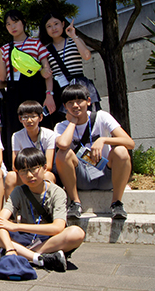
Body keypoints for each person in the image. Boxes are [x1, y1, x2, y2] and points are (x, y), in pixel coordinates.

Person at [0, 148, 85, 272]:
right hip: (23, 238)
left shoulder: (57, 192)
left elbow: (58, 227)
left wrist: (17, 227)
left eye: (34, 169)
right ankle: (34, 257)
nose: (29, 175)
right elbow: (0, 221)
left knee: (77, 233)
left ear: (44, 168)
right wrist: (9, 245)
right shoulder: (19, 191)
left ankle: (23, 254)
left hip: (47, 239)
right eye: (23, 171)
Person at [54, 84, 135, 219]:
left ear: (89, 101)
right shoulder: (62, 126)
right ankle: (75, 202)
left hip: (105, 174)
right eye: (70, 103)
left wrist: (103, 140)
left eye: (79, 101)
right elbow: (63, 144)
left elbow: (130, 143)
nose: (75, 105)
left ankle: (117, 203)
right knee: (63, 153)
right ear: (65, 106)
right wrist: (73, 122)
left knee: (121, 151)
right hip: (82, 177)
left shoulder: (101, 117)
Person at [0, 9, 55, 143]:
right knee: (15, 127)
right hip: (14, 91)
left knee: (39, 124)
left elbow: (47, 71)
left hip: (35, 89)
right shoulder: (5, 48)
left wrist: (49, 95)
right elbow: (2, 77)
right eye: (8, 24)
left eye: (15, 22)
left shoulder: (36, 43)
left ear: (23, 22)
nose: (12, 27)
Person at [39, 12, 97, 118]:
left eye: (56, 24)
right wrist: (49, 95)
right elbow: (49, 74)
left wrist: (74, 36)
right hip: (61, 89)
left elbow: (87, 56)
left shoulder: (73, 41)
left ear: (63, 24)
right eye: (49, 26)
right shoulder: (46, 50)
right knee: (66, 121)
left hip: (79, 85)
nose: (53, 28)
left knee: (87, 118)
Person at [5, 101, 57, 199]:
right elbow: (15, 165)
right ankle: (11, 212)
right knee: (11, 176)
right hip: (25, 173)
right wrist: (28, 172)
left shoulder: (49, 134)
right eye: (25, 117)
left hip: (41, 173)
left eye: (33, 116)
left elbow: (48, 165)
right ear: (20, 119)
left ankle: (48, 209)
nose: (29, 120)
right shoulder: (17, 136)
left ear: (40, 117)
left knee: (48, 176)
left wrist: (33, 172)